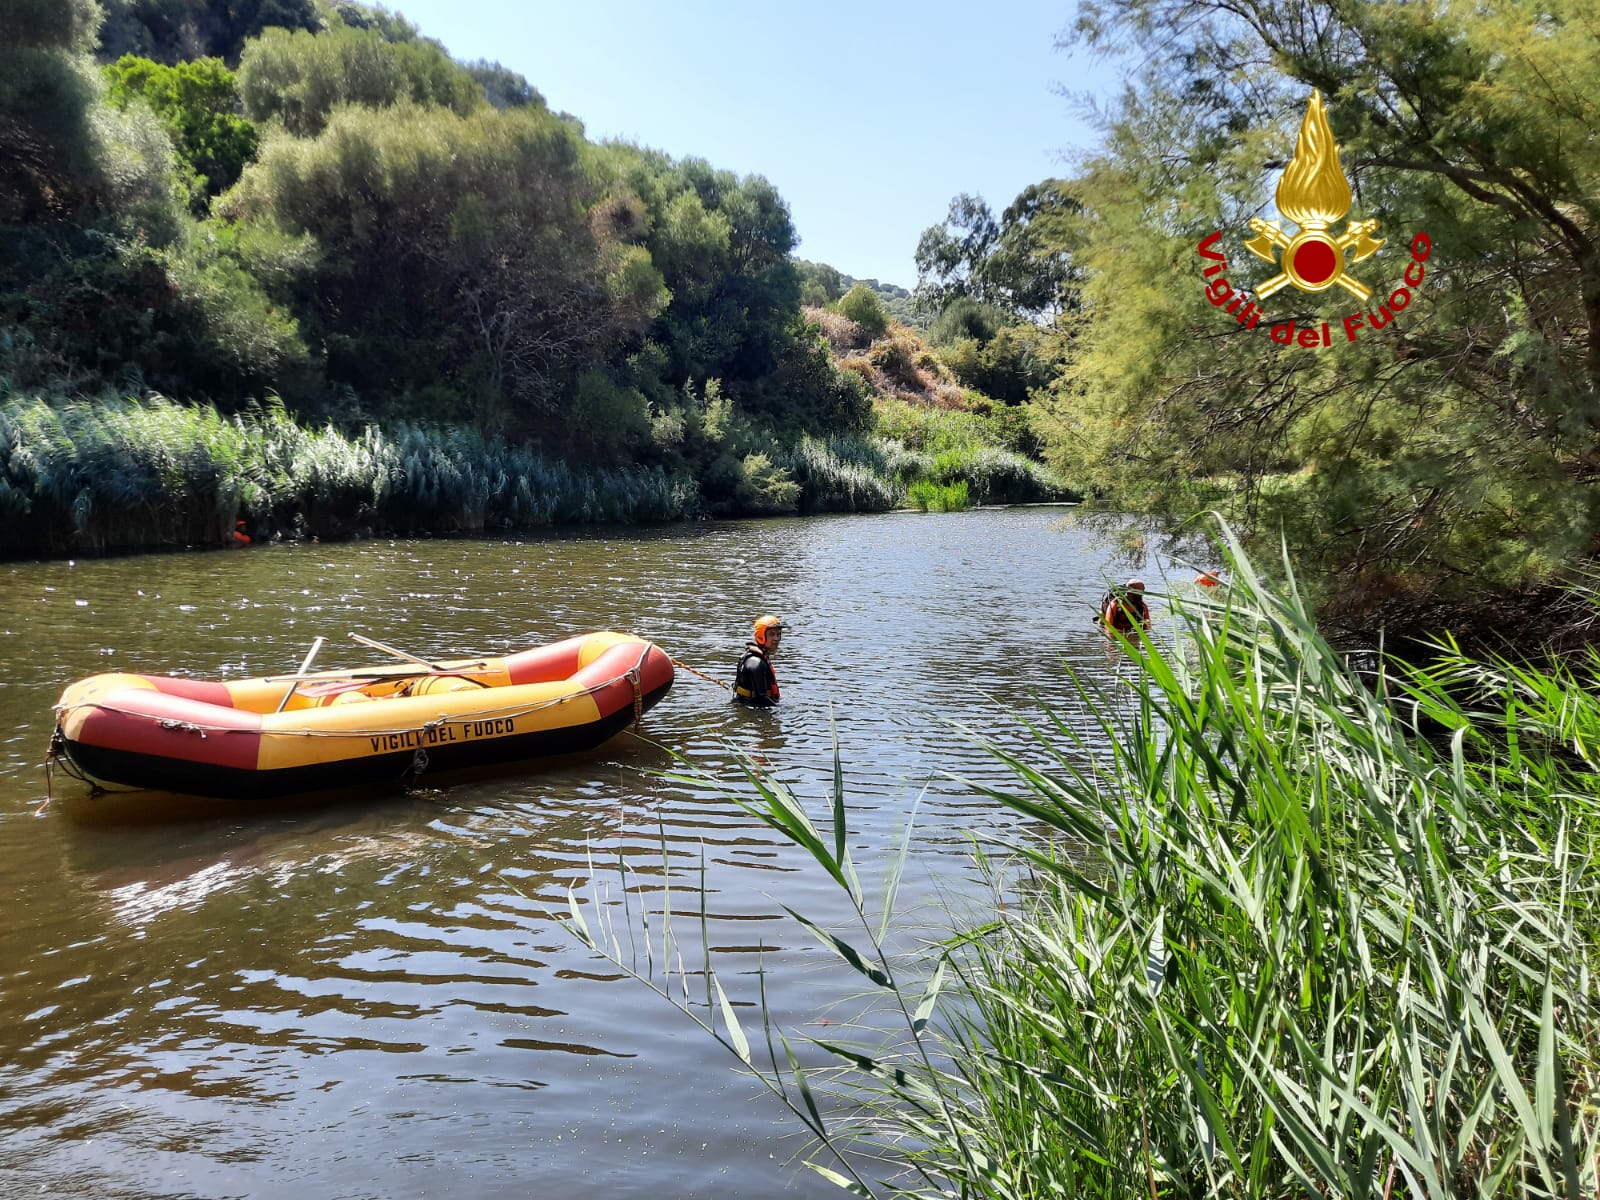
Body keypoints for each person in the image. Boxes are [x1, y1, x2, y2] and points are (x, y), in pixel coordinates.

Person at [732, 614, 785, 706]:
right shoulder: (756, 663)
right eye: (772, 634)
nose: (776, 639)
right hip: (751, 709)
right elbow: (762, 698)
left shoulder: (758, 658)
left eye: (778, 634)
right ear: (761, 636)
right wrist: (781, 711)